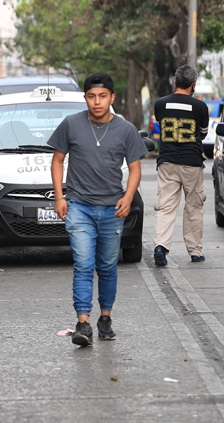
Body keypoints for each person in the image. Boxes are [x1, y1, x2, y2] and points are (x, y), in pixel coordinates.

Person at [48, 72, 148, 347]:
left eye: (102, 96)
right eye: (91, 96)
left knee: (107, 266)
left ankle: (105, 318)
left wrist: (128, 197)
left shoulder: (126, 129)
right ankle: (83, 323)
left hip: (112, 209)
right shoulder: (71, 124)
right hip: (79, 206)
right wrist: (60, 197)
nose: (97, 102)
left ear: (112, 98)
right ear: (85, 98)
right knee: (83, 264)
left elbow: (135, 168)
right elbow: (57, 161)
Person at [153, 64, 209, 266]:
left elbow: (161, 125)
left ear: (175, 82)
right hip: (192, 163)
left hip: (167, 162)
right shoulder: (200, 107)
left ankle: (160, 246)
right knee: (194, 207)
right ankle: (195, 252)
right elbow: (202, 134)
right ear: (193, 85)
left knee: (166, 207)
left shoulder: (160, 104)